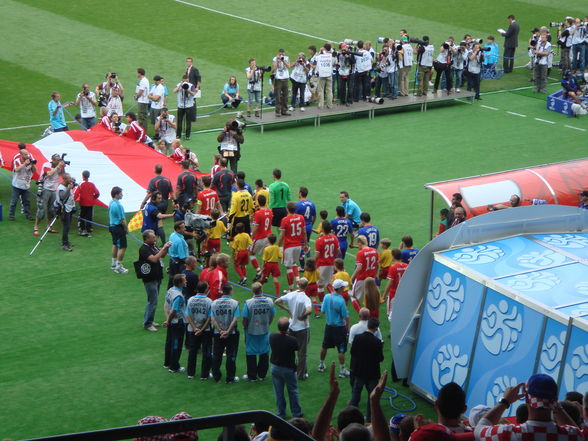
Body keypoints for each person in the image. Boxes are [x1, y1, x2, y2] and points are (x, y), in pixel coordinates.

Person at [473, 373, 582, 441]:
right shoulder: (571, 435)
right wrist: (556, 405)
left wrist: (504, 402)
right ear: (555, 400)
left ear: (526, 399)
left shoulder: (507, 433)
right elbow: (579, 434)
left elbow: (479, 430)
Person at [275, 278, 312, 381]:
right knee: (302, 353)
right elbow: (309, 310)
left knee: (290, 351)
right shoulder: (306, 298)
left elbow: (277, 301)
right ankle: (301, 375)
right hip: (302, 328)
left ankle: (292, 370)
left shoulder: (291, 294)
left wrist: (288, 310)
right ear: (306, 286)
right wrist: (303, 316)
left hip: (291, 327)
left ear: (298, 285)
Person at [349, 317, 383, 422]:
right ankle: (369, 419)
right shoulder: (377, 342)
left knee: (355, 395)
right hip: (372, 373)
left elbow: (352, 353)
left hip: (359, 371)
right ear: (376, 328)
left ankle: (351, 417)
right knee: (372, 397)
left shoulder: (358, 338)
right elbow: (380, 358)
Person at [269, 317, 304, 418]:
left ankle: (281, 413)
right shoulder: (292, 340)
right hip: (288, 368)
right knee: (293, 391)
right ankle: (296, 413)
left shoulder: (272, 337)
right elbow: (297, 349)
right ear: (288, 328)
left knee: (278, 392)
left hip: (275, 367)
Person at [139, 229, 171, 332]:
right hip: (150, 278)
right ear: (147, 239)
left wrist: (166, 249)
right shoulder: (143, 249)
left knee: (153, 300)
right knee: (153, 301)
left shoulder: (153, 246)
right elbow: (154, 259)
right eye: (153, 237)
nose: (155, 238)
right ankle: (147, 324)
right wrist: (164, 248)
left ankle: (149, 320)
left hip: (156, 276)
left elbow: (162, 255)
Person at [242, 282, 275, 381]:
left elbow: (244, 318)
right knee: (264, 351)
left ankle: (252, 376)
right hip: (264, 329)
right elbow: (272, 315)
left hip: (251, 331)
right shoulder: (270, 301)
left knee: (251, 352)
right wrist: (267, 323)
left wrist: (246, 327)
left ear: (253, 291)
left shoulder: (248, 302)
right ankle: (262, 374)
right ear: (262, 289)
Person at [318, 279, 350, 378]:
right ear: (340, 288)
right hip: (339, 328)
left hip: (329, 327)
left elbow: (322, 311)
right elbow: (345, 315)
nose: (344, 288)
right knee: (341, 350)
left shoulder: (327, 297)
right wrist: (347, 329)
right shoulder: (341, 300)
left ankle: (321, 364)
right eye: (343, 287)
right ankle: (342, 370)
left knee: (324, 346)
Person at [210, 284, 241, 384]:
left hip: (217, 333)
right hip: (231, 334)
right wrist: (228, 331)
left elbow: (213, 319)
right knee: (231, 355)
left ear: (222, 291)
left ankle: (216, 377)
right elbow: (235, 319)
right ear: (230, 291)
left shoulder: (214, 303)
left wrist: (220, 330)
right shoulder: (235, 303)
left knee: (217, 354)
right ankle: (230, 378)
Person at [184, 280, 213, 379]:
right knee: (206, 351)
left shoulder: (191, 299)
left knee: (192, 351)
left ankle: (190, 373)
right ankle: (204, 374)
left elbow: (187, 315)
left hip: (192, 330)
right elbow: (210, 317)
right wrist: (201, 329)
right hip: (206, 330)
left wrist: (195, 328)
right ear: (205, 289)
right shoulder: (209, 301)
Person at [279, 202, 308, 291]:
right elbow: (304, 232)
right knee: (294, 263)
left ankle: (291, 289)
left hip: (288, 246)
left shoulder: (285, 219)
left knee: (288, 267)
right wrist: (306, 244)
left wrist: (278, 244)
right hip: (298, 245)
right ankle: (298, 282)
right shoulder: (301, 218)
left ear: (287, 209)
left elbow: (282, 234)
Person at [34, 153, 64, 237]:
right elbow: (49, 174)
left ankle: (49, 226)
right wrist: (58, 167)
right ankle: (36, 226)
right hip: (45, 189)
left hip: (54, 189)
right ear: (53, 160)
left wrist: (63, 167)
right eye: (57, 160)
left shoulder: (59, 166)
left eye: (59, 160)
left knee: (51, 210)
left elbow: (63, 175)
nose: (59, 162)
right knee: (42, 210)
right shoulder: (46, 164)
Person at [163, 273, 187, 373]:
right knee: (176, 344)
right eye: (184, 280)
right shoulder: (179, 296)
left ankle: (167, 363)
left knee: (169, 342)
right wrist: (168, 320)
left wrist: (167, 319)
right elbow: (174, 310)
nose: (186, 281)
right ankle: (174, 366)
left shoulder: (170, 290)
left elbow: (165, 305)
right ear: (180, 283)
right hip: (178, 322)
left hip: (172, 321)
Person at [350, 236, 379, 312]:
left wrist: (351, 278)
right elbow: (377, 264)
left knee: (353, 297)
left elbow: (359, 268)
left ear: (360, 243)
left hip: (362, 279)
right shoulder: (374, 251)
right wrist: (375, 274)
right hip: (371, 278)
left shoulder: (360, 253)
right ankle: (370, 313)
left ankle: (362, 315)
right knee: (369, 298)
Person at [9, 143, 36, 221]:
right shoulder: (17, 160)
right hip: (16, 185)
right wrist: (24, 164)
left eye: (27, 154)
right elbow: (16, 169)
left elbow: (34, 171)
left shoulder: (30, 160)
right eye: (25, 154)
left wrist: (33, 165)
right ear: (21, 155)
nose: (27, 156)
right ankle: (11, 215)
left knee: (27, 202)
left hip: (26, 185)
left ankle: (28, 215)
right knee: (14, 202)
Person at [315, 221, 340, 303]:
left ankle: (323, 303)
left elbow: (317, 255)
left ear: (323, 229)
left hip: (321, 265)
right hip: (331, 263)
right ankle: (335, 299)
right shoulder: (335, 238)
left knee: (320, 285)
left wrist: (312, 264)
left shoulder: (319, 240)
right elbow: (339, 252)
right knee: (329, 282)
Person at [250, 194, 273, 281]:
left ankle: (259, 271)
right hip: (268, 237)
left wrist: (251, 237)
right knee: (265, 256)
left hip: (259, 237)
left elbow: (256, 228)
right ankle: (264, 274)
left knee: (251, 254)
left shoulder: (258, 213)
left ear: (258, 202)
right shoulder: (270, 211)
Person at [108, 186, 129, 274]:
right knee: (123, 247)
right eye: (121, 194)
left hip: (112, 226)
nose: (122, 195)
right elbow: (122, 220)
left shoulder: (111, 202)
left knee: (115, 244)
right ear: (116, 195)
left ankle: (113, 263)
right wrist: (126, 228)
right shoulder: (119, 205)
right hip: (118, 228)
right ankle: (118, 266)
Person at [54, 173, 76, 252]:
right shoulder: (61, 188)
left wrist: (71, 185)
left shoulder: (67, 185)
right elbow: (62, 197)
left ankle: (66, 241)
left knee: (68, 226)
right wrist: (68, 189)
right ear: (65, 179)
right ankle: (64, 244)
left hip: (69, 208)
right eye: (69, 179)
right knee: (66, 227)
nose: (70, 180)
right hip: (64, 209)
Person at [384, 248, 408, 314]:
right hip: (404, 292)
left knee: (391, 314)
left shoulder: (393, 267)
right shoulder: (407, 266)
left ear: (393, 256)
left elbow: (390, 283)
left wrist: (384, 295)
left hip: (394, 293)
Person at [174, 74, 197, 141]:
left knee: (188, 121)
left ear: (188, 79)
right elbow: (174, 91)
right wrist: (180, 86)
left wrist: (187, 90)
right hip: (180, 106)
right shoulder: (179, 84)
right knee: (179, 120)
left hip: (189, 106)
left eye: (187, 80)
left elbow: (193, 94)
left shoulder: (191, 85)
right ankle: (178, 135)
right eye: (184, 80)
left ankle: (187, 135)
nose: (186, 82)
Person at [77, 170, 100, 237]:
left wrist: (75, 199)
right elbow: (97, 193)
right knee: (89, 216)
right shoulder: (92, 184)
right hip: (90, 203)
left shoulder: (81, 184)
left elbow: (76, 193)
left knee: (82, 216)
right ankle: (89, 228)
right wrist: (93, 198)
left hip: (83, 202)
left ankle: (82, 229)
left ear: (82, 176)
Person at [167, 221, 190, 289]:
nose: (185, 229)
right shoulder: (179, 241)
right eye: (183, 228)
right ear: (177, 229)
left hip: (172, 261)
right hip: (179, 263)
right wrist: (190, 261)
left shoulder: (172, 235)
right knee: (180, 282)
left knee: (171, 279)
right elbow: (182, 257)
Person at [261, 233, 283, 297]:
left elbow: (264, 259)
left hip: (268, 264)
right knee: (275, 278)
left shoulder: (266, 249)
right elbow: (280, 256)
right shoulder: (277, 247)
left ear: (268, 240)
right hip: (275, 264)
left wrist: (263, 266)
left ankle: (258, 289)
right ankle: (277, 294)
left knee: (263, 277)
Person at [272, 49, 292, 116]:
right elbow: (274, 68)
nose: (282, 55)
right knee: (278, 96)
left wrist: (283, 60)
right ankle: (277, 112)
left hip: (285, 79)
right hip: (278, 80)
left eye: (283, 53)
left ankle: (284, 110)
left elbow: (289, 66)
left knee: (285, 96)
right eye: (280, 54)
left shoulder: (286, 58)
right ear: (278, 53)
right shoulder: (275, 58)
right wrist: (277, 60)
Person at [316, 44, 334, 109]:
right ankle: (330, 104)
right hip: (329, 74)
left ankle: (321, 105)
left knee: (321, 90)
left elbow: (316, 60)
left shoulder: (320, 55)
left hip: (322, 74)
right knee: (329, 90)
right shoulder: (331, 55)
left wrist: (320, 51)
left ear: (324, 48)